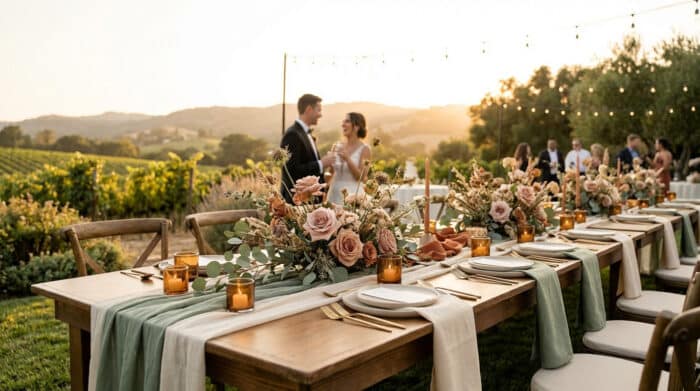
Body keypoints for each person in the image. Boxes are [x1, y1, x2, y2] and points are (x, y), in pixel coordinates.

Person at [279, 94, 335, 203]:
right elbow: (292, 170)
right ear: (309, 109)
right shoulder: (292, 134)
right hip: (296, 201)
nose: (320, 115)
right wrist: (322, 163)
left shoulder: (305, 134)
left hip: (310, 201)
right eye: (318, 110)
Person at [326, 113, 372, 204]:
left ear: (357, 126)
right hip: (333, 194)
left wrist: (347, 159)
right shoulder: (337, 146)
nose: (342, 124)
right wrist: (328, 163)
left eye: (347, 121)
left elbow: (361, 178)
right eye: (343, 122)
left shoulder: (365, 149)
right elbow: (328, 175)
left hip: (353, 196)